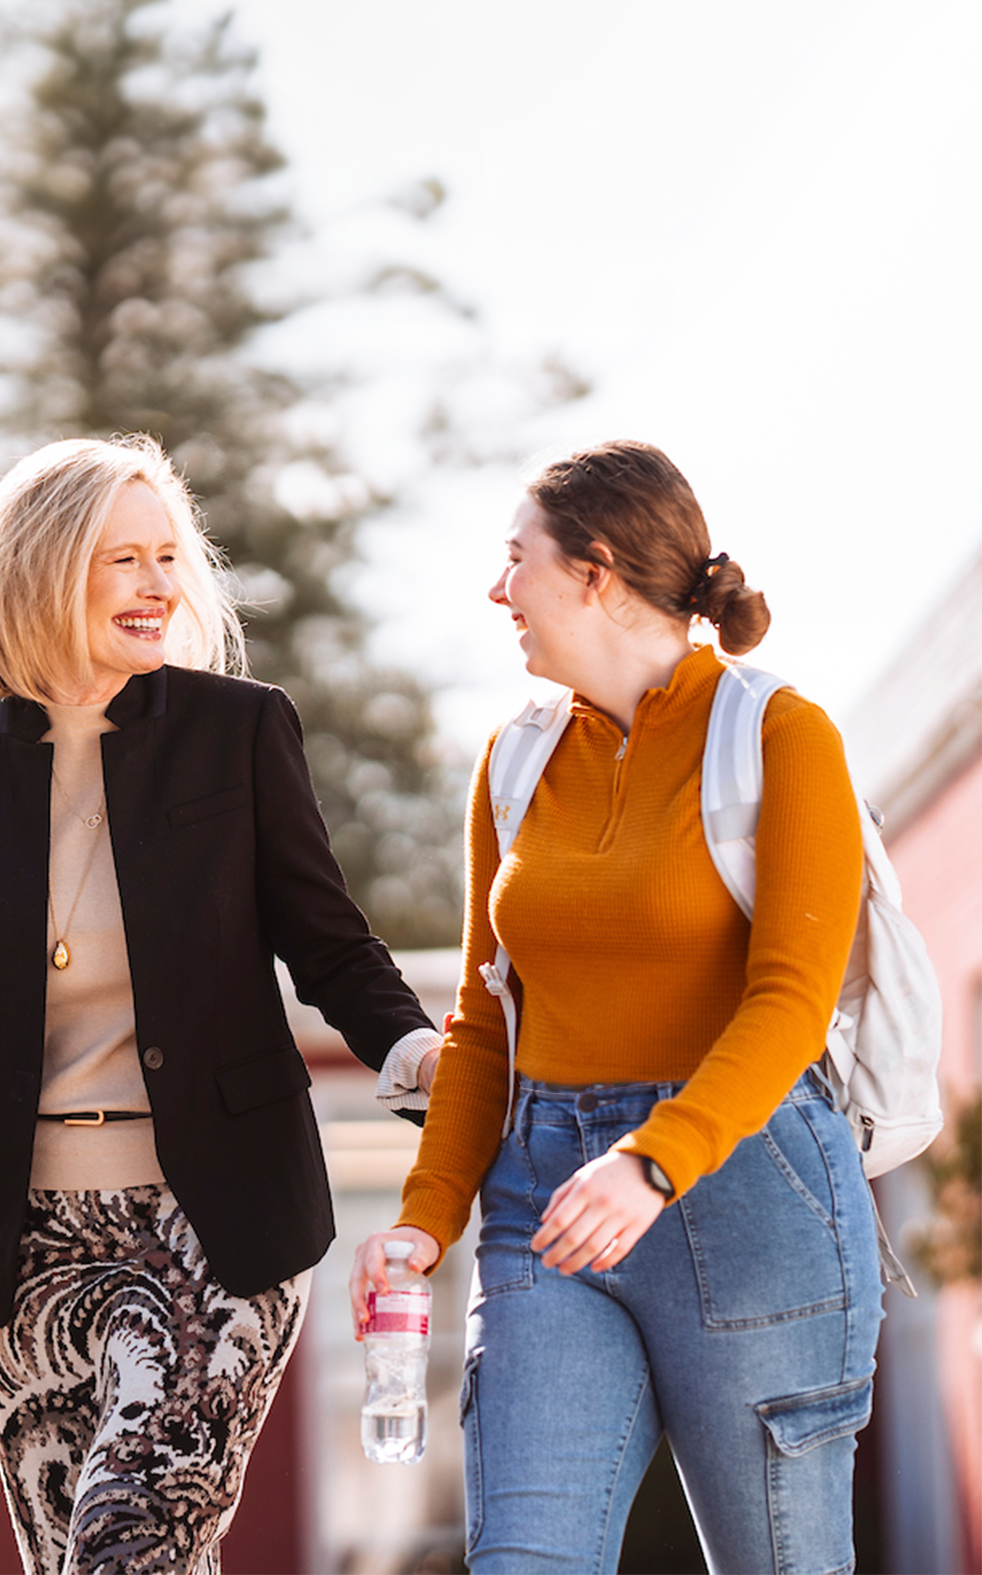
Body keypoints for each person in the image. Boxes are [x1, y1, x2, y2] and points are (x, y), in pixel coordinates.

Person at [0, 436, 442, 1575]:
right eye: (122, 560)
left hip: (216, 1220)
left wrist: (412, 1048)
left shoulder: (237, 729)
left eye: (167, 558)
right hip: (33, 1239)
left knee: (123, 1545)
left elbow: (325, 938)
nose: (160, 587)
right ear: (42, 571)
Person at [352, 440, 881, 1575]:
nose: (499, 591)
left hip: (743, 1181)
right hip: (544, 1187)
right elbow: (484, 1023)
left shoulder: (778, 735)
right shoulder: (515, 757)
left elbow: (792, 1000)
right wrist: (422, 1217)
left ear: (593, 571)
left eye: (516, 560)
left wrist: (652, 1159)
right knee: (523, 1558)